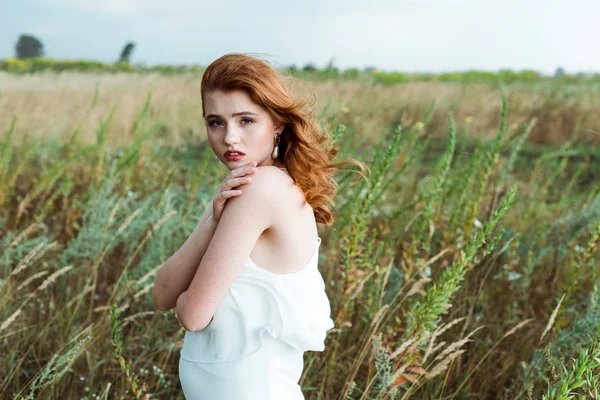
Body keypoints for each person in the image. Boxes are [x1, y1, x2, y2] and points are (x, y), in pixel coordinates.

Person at [152, 53, 366, 399]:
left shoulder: (261, 188)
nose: (230, 138)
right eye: (216, 122)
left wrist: (187, 298)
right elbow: (162, 293)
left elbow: (191, 314)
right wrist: (213, 219)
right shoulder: (254, 186)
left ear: (277, 124)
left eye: (246, 120)